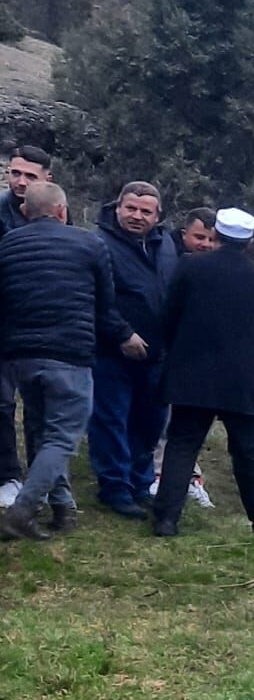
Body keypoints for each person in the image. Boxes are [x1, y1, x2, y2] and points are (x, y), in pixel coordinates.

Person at [0, 180, 145, 540]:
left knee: (41, 428)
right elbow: (105, 307)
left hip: (21, 356)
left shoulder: (7, 245)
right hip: (70, 353)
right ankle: (22, 511)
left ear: (24, 211)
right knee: (63, 436)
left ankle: (63, 509)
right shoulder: (90, 244)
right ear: (63, 211)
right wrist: (126, 335)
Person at [149, 208, 254, 537]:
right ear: (249, 242)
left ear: (216, 235)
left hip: (193, 373)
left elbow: (168, 314)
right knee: (251, 452)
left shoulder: (190, 266)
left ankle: (166, 520)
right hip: (242, 377)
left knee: (182, 445)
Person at [89, 179, 179, 519]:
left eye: (145, 211)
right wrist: (122, 334)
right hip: (113, 351)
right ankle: (114, 488)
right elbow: (98, 297)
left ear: (158, 216)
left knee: (150, 422)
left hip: (158, 353)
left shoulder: (166, 245)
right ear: (117, 208)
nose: (137, 216)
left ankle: (141, 484)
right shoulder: (98, 243)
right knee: (111, 420)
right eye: (131, 208)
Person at [0, 143, 54, 508]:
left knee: (43, 407)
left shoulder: (54, 213)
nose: (20, 181)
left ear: (47, 178)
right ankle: (6, 475)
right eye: (14, 172)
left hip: (41, 325)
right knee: (1, 403)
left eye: (29, 175)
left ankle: (43, 480)